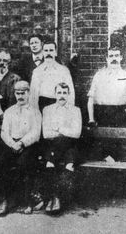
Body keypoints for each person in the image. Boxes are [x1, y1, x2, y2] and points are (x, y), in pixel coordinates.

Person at [0, 81, 42, 217]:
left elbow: (36, 132)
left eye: (23, 93)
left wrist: (22, 143)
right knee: (1, 163)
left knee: (23, 164)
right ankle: (5, 200)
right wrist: (12, 144)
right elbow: (4, 132)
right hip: (12, 144)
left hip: (29, 145)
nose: (20, 96)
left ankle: (27, 201)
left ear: (28, 93)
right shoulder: (9, 111)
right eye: (18, 93)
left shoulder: (35, 112)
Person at [87, 46, 126, 162]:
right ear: (106, 58)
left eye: (116, 56)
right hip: (101, 113)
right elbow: (91, 99)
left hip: (119, 114)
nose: (114, 58)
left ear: (121, 58)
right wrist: (91, 118)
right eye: (111, 56)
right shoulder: (99, 76)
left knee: (116, 149)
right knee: (101, 148)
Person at [42, 82, 82, 214]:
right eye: (59, 93)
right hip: (53, 146)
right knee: (49, 164)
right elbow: (46, 134)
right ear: (55, 94)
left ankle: (56, 198)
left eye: (65, 93)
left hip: (71, 147)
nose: (62, 96)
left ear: (69, 94)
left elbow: (76, 134)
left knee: (68, 165)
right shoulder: (47, 110)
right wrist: (66, 131)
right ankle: (54, 198)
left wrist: (58, 128)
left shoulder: (76, 110)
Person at [29, 41, 75, 112]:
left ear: (55, 52)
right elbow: (33, 96)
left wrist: (69, 111)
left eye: (51, 50)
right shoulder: (37, 71)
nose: (48, 53)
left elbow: (71, 93)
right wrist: (35, 114)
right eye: (46, 51)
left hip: (60, 105)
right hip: (42, 105)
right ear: (43, 53)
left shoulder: (64, 70)